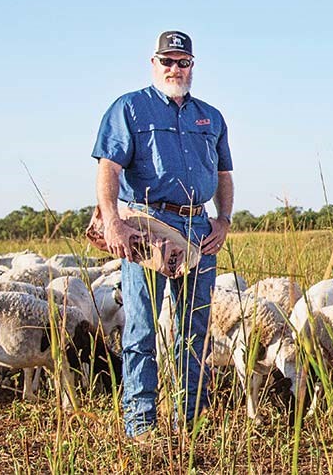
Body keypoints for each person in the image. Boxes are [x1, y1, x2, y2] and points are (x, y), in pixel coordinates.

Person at [91, 30, 233, 440]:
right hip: (148, 226)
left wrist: (223, 220)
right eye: (167, 61)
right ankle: (141, 425)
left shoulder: (211, 116)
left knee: (195, 328)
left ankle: (192, 421)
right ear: (153, 63)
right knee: (142, 326)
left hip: (200, 228)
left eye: (182, 62)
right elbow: (108, 168)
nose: (175, 68)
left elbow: (224, 174)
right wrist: (113, 220)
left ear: (192, 66)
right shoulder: (129, 109)